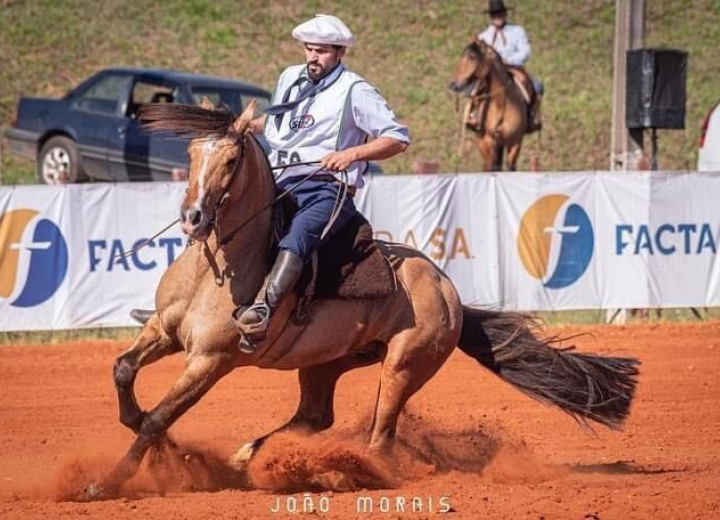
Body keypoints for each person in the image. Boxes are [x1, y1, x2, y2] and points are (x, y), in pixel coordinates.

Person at [236, 14, 410, 352]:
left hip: (326, 188)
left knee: (297, 237)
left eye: (322, 51)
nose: (313, 57)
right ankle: (180, 307)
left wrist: (353, 154)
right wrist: (247, 125)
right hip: (279, 181)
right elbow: (281, 128)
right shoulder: (290, 77)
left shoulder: (356, 91)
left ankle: (262, 313)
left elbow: (397, 138)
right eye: (309, 49)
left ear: (340, 52)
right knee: (223, 213)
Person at [477, 0, 543, 131]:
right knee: (475, 86)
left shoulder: (517, 31)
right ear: (490, 16)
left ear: (505, 14)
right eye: (495, 14)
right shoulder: (484, 36)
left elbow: (525, 51)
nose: (498, 17)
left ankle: (530, 117)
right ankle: (474, 115)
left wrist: (509, 60)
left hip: (512, 68)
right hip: (492, 72)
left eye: (500, 13)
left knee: (536, 85)